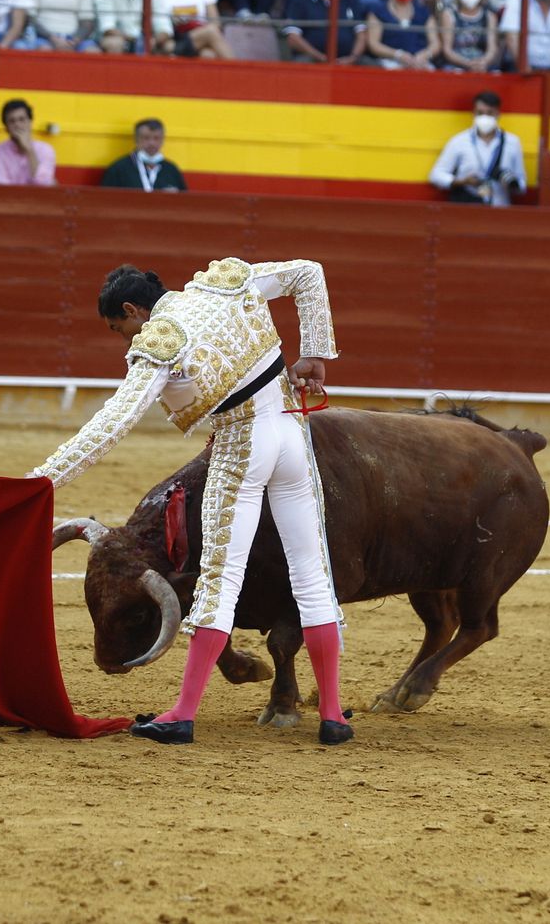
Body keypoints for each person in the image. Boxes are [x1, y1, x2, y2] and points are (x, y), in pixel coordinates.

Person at [31, 259, 347, 747]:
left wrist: (39, 481)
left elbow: (112, 424)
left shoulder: (159, 341)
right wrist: (315, 354)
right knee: (312, 577)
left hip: (243, 445)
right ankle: (332, 717)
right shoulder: (226, 283)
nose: (124, 341)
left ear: (134, 310)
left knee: (219, 584)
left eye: (120, 328)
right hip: (293, 434)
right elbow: (309, 272)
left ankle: (182, 715)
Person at [428, 90, 526, 205]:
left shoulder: (512, 142)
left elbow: (522, 185)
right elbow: (436, 175)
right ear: (474, 113)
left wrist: (511, 184)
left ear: (498, 114)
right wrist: (462, 182)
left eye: (490, 113)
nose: (485, 117)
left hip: (499, 207)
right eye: (480, 113)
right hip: (468, 206)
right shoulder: (459, 140)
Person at [364, 0, 437, 70]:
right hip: (389, 63)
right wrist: (398, 55)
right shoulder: (378, 11)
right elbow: (373, 44)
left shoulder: (423, 12)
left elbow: (435, 43)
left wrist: (424, 55)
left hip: (421, 63)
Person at [438, 0, 499, 73]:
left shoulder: (489, 15)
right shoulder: (449, 14)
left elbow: (492, 49)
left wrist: (483, 62)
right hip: (456, 64)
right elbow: (447, 50)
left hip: (482, 64)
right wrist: (468, 64)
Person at [101, 118, 186, 190]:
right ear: (136, 140)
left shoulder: (171, 170)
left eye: (156, 138)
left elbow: (184, 202)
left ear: (162, 141)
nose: (151, 143)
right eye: (146, 138)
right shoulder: (118, 169)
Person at [0, 98, 57, 185]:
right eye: (12, 121)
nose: (17, 125)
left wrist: (29, 150)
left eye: (22, 119)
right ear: (6, 128)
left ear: (30, 122)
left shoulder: (46, 150)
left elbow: (44, 183)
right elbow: (2, 186)